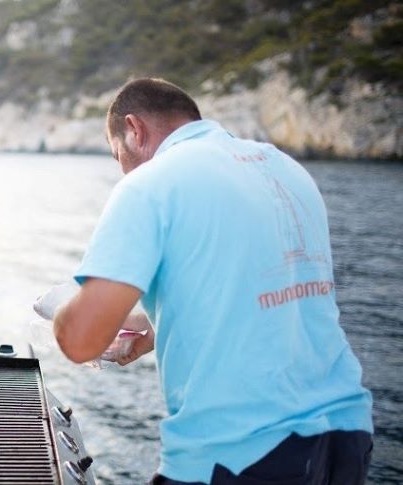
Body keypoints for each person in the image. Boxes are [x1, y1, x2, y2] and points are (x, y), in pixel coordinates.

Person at [46, 78, 374, 484]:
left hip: (240, 450)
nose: (123, 169)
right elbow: (263, 290)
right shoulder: (284, 168)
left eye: (118, 156)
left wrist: (58, 308)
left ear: (134, 129)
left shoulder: (149, 183)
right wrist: (154, 329)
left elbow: (80, 340)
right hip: (344, 434)